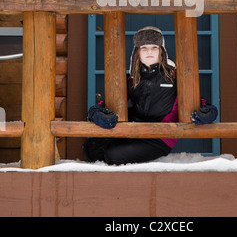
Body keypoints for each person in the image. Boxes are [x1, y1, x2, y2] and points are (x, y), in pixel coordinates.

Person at [83, 26, 218, 166]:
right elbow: (107, 103)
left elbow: (198, 101)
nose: (149, 51)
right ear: (137, 53)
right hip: (136, 130)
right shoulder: (132, 79)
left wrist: (208, 111)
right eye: (144, 47)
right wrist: (96, 112)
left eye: (154, 47)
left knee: (113, 155)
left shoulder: (174, 76)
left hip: (160, 137)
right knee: (91, 147)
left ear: (162, 51)